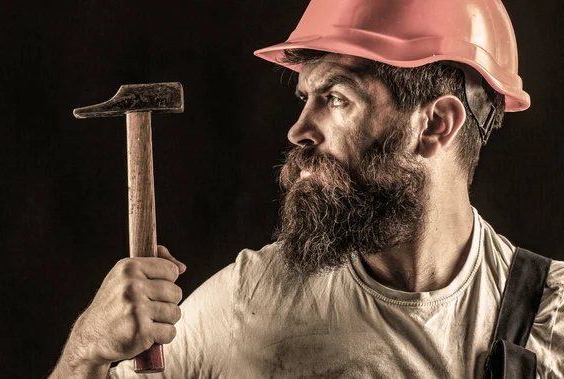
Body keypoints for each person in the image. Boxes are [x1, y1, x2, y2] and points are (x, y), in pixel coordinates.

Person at [49, 0, 564, 378]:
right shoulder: (253, 298)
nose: (298, 130)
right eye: (305, 96)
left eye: (336, 98)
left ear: (435, 125)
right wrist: (89, 349)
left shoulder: (548, 314)